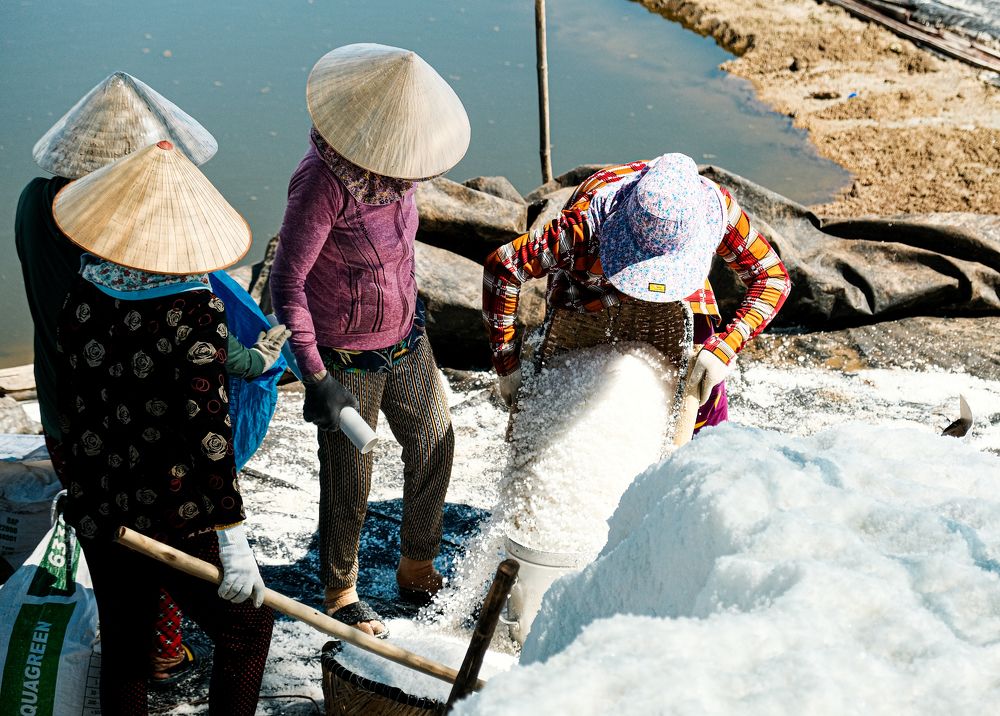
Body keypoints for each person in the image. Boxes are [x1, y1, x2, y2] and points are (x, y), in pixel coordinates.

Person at [15, 70, 287, 687]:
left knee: (123, 616)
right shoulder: (163, 285)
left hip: (78, 441)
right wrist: (234, 539)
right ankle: (168, 649)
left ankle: (152, 651)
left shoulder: (41, 214)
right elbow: (204, 418)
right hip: (161, 470)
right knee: (241, 625)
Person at [51, 140, 274, 715]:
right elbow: (209, 432)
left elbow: (70, 398)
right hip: (176, 512)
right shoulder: (196, 311)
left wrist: (79, 486)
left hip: (101, 502)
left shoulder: (84, 289)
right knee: (247, 631)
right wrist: (233, 536)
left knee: (127, 643)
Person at [270, 43, 470, 637]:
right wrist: (316, 375)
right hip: (347, 355)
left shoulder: (397, 175)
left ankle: (416, 562)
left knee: (435, 439)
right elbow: (287, 280)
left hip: (406, 337)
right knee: (351, 468)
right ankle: (342, 590)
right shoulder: (321, 183)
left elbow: (399, 252)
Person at [482, 153, 792, 431]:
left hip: (681, 299)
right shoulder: (583, 229)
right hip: (592, 291)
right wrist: (506, 365)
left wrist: (727, 345)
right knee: (569, 414)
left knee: (702, 388)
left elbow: (772, 278)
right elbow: (504, 267)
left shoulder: (712, 211)